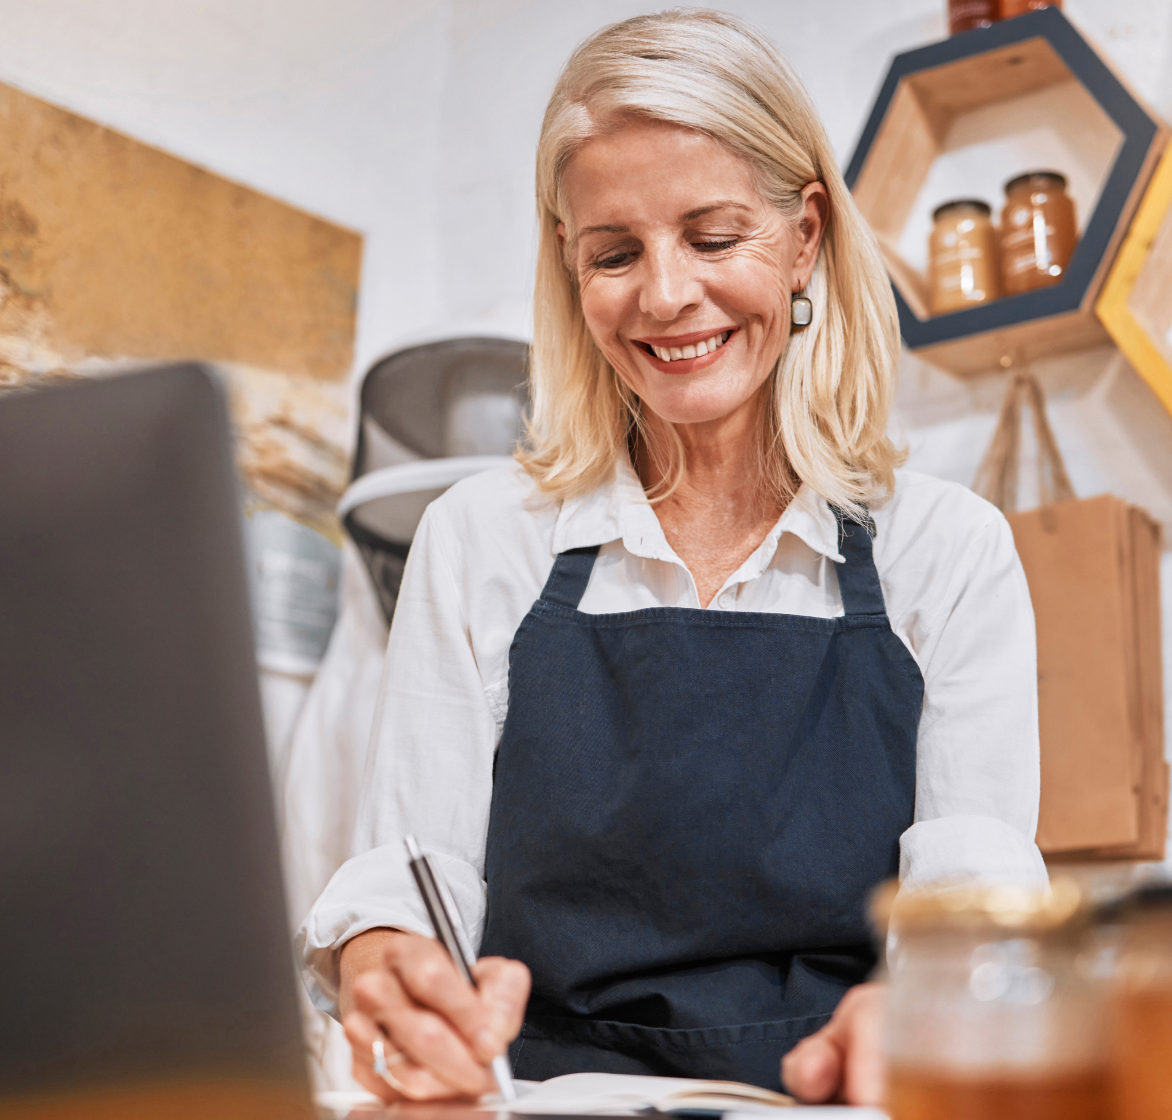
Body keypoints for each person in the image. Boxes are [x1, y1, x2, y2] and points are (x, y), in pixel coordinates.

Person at [296, 8, 1046, 1104]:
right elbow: (415, 874)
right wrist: (384, 959)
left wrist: (942, 1000)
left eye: (712, 235)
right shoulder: (480, 540)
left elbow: (973, 896)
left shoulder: (949, 553)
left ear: (805, 234)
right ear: (569, 264)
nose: (664, 296)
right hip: (540, 1094)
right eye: (614, 252)